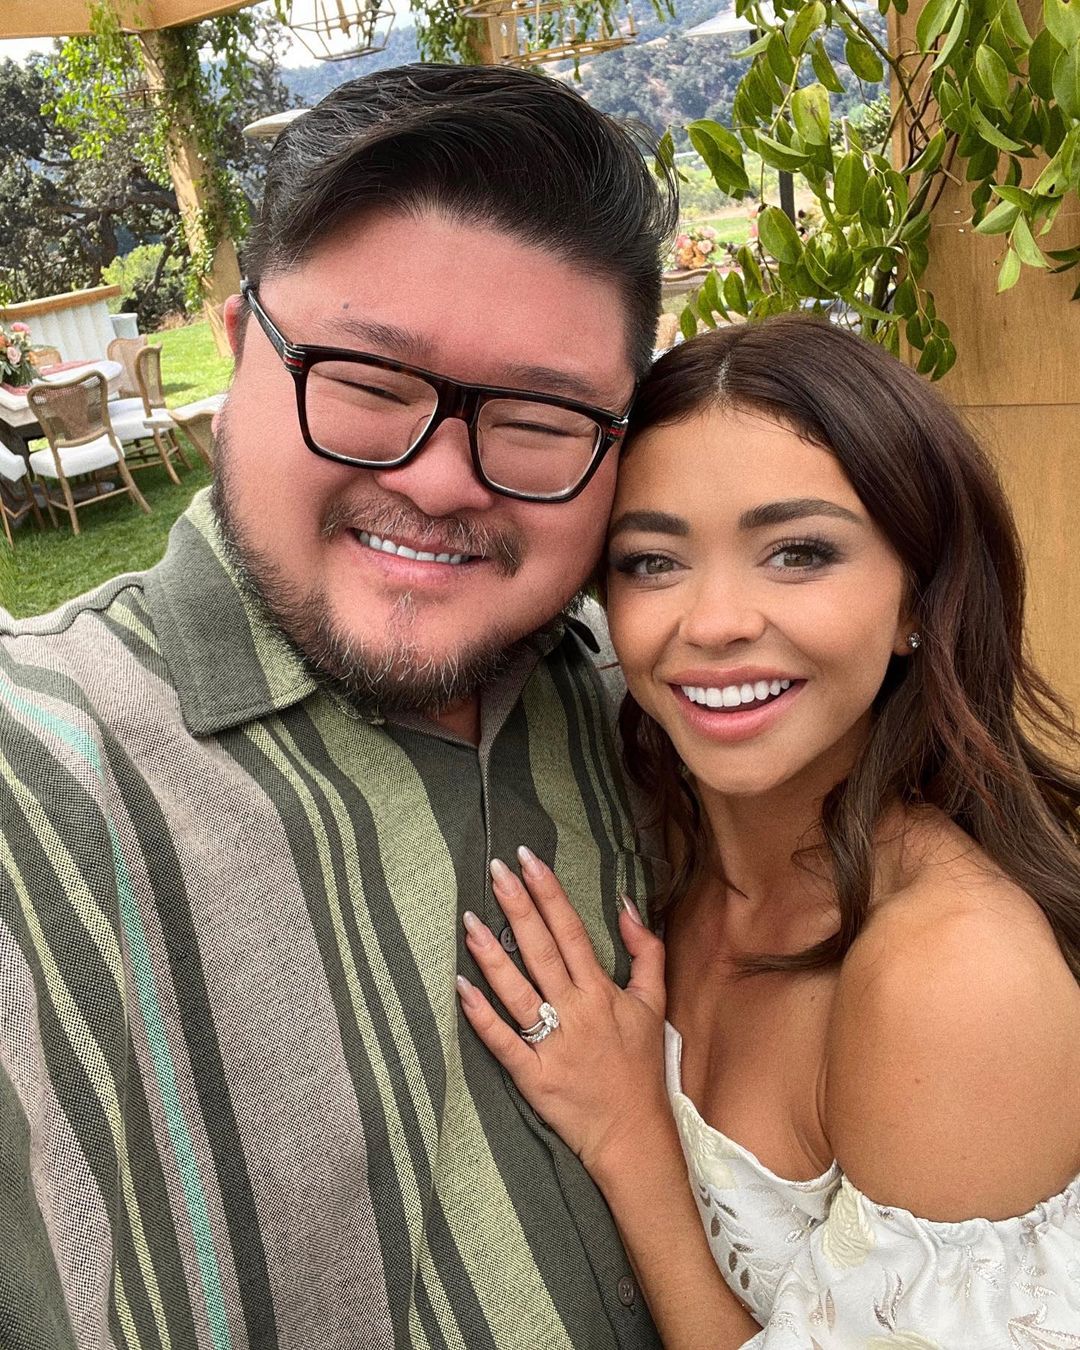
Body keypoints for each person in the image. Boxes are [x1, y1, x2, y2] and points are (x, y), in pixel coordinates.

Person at [0, 65, 678, 1348]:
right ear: (238, 346)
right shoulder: (40, 777)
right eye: (367, 381)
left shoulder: (648, 709)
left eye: (539, 418)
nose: (440, 480)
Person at [458, 315, 1080, 1348]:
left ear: (918, 598)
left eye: (798, 553)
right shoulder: (655, 823)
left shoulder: (952, 976)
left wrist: (629, 1138)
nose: (713, 622)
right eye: (652, 561)